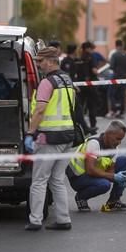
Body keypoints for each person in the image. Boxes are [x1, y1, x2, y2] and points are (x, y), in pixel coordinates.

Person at [23, 47, 76, 231]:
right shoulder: (67, 79)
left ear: (51, 60)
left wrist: (30, 133)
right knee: (57, 180)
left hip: (49, 137)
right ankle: (63, 219)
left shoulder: (47, 83)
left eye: (40, 61)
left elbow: (40, 110)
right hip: (68, 136)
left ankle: (35, 220)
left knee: (39, 180)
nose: (38, 65)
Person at [67, 120, 126, 213]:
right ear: (108, 134)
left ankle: (113, 201)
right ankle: (81, 197)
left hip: (93, 174)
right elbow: (90, 170)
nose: (119, 142)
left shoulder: (114, 149)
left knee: (124, 160)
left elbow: (110, 172)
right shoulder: (94, 143)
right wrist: (114, 177)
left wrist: (122, 180)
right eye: (117, 139)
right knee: (104, 185)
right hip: (79, 177)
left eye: (121, 139)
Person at [73, 42, 99, 134]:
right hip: (91, 86)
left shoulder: (79, 58)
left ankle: (81, 127)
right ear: (87, 48)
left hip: (81, 86)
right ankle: (92, 126)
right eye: (91, 48)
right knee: (92, 107)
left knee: (80, 108)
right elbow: (95, 71)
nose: (92, 50)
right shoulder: (91, 57)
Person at [108, 39, 126, 118]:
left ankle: (114, 110)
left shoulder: (114, 55)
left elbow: (111, 66)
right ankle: (121, 111)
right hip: (124, 78)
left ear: (116, 45)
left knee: (112, 95)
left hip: (116, 77)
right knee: (122, 95)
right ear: (122, 45)